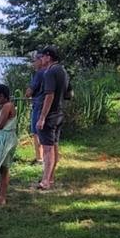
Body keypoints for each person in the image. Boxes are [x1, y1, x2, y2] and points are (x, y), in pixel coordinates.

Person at [35, 45, 70, 190]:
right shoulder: (63, 71)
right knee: (54, 146)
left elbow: (49, 95)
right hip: (59, 114)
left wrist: (42, 117)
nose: (40, 59)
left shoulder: (50, 72)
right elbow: (69, 94)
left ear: (48, 57)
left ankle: (45, 181)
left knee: (48, 150)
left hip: (50, 116)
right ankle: (51, 177)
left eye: (42, 56)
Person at [25, 50, 46, 164]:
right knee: (43, 131)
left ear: (40, 60)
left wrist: (27, 94)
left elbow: (29, 91)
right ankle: (44, 156)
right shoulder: (49, 71)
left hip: (38, 105)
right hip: (46, 105)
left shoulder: (39, 73)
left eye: (34, 61)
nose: (33, 63)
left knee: (36, 132)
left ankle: (39, 159)